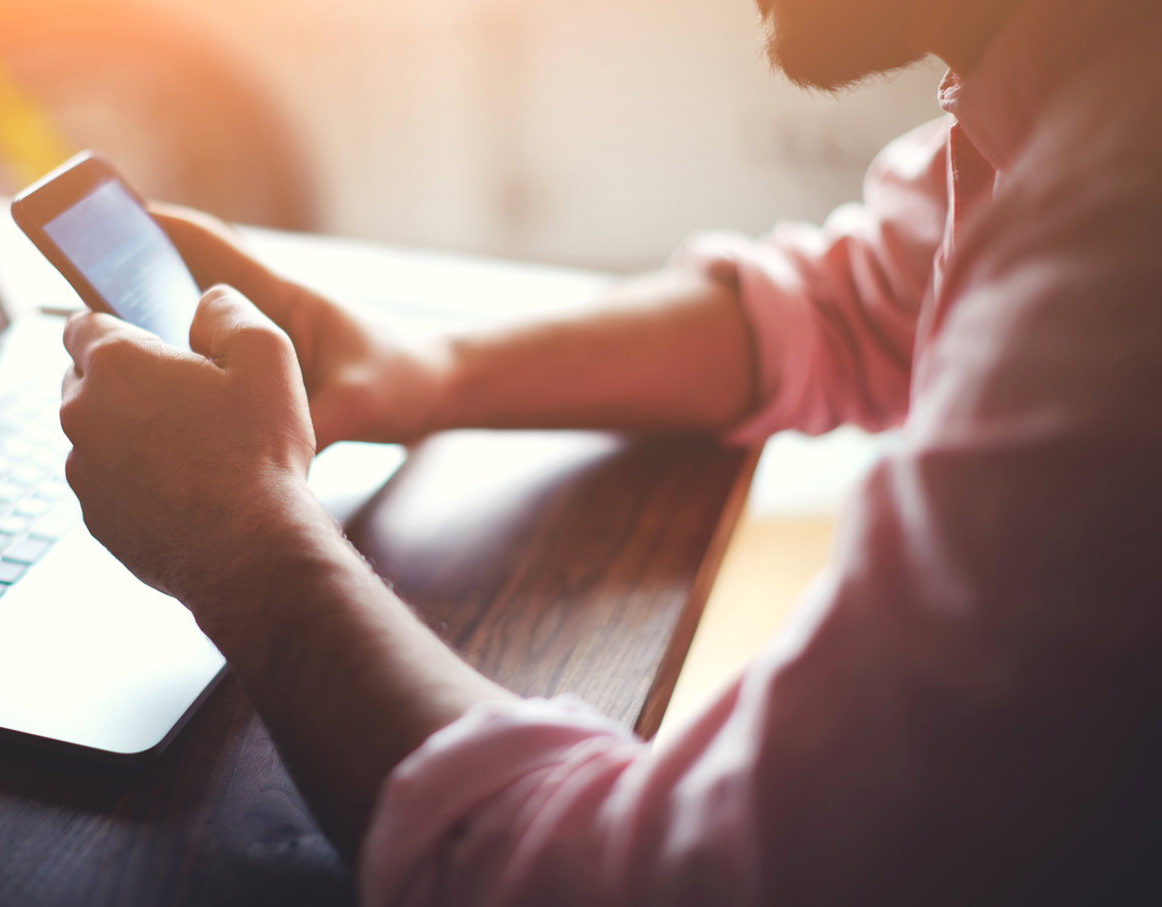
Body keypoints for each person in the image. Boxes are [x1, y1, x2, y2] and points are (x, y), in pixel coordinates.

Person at [56, 0, 1162, 901]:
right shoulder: (1079, 89)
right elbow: (858, 300)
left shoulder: (1122, 239)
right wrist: (417, 369)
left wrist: (249, 547)